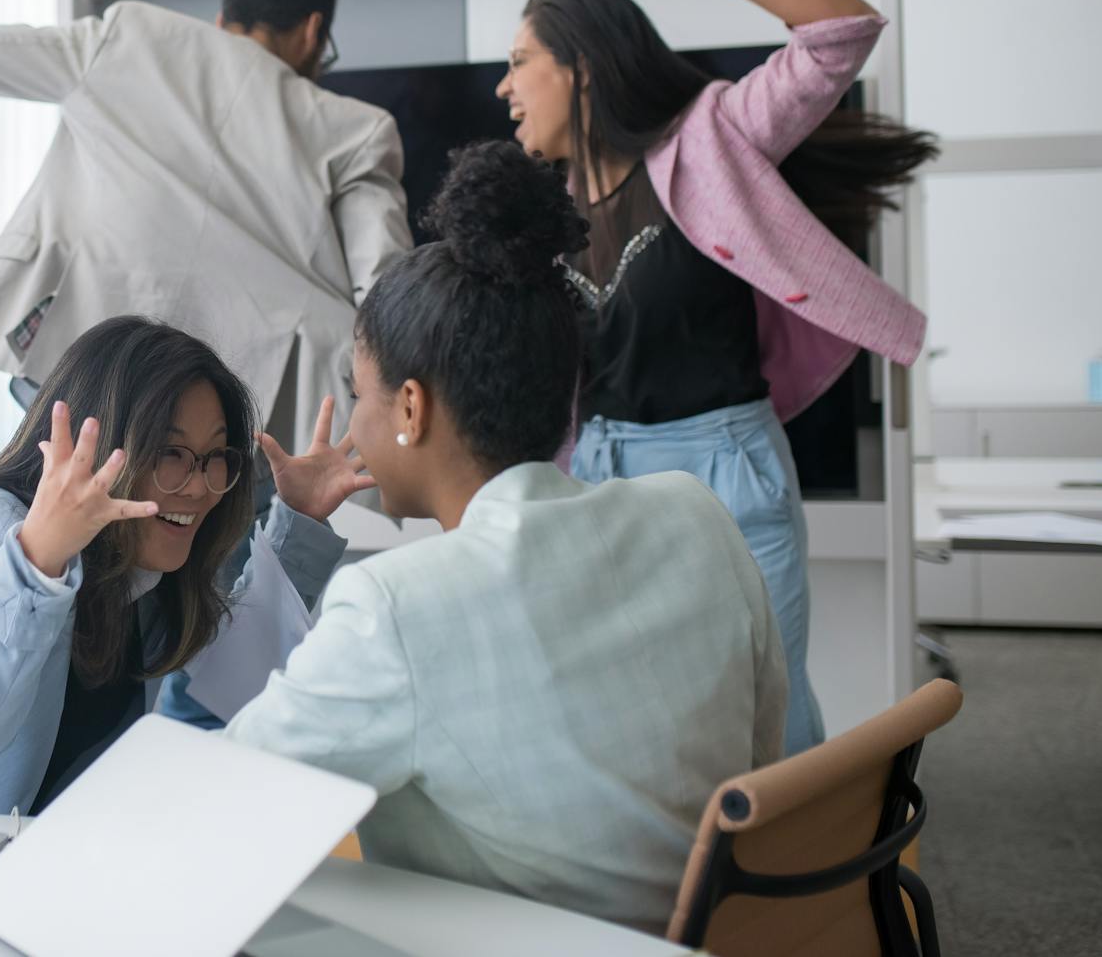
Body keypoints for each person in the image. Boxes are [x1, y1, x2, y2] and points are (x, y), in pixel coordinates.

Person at [224, 142, 787, 935]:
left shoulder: (395, 606)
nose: (352, 420)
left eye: (360, 393)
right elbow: (761, 769)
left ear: (411, 409)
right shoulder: (696, 516)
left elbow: (228, 793)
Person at [497, 0, 937, 755]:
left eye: (521, 63)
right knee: (628, 731)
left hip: (725, 476)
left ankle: (806, 887)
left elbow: (841, 33)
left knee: (763, 724)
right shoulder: (537, 215)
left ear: (581, 69)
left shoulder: (711, 139)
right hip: (594, 483)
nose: (503, 87)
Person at [0, 0, 412, 452]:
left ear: (224, 17)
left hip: (82, 369)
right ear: (314, 30)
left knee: (65, 543)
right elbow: (386, 291)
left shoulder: (127, 36)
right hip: (238, 414)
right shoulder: (355, 129)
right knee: (220, 548)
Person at [0, 316, 366, 814]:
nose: (199, 486)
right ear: (99, 450)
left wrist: (300, 521)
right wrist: (38, 559)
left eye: (215, 457)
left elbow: (231, 679)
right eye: (170, 453)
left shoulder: (144, 572)